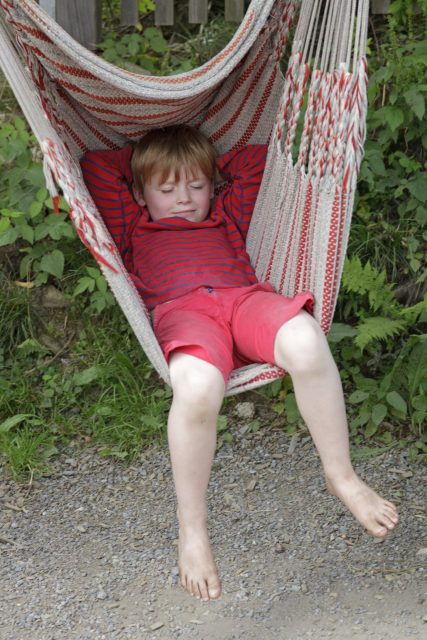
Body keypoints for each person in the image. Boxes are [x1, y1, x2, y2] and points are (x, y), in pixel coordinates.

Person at [81, 125, 398, 603]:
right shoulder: (132, 224)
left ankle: (341, 475)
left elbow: (260, 159)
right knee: (198, 388)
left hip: (245, 302)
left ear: (213, 185)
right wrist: (150, 163)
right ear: (141, 194)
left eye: (197, 185)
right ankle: (193, 532)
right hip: (184, 314)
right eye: (166, 189)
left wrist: (206, 164)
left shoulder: (226, 216)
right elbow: (93, 166)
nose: (184, 198)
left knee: (307, 341)